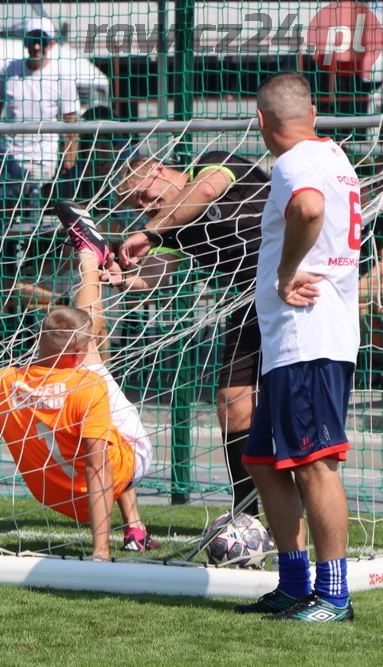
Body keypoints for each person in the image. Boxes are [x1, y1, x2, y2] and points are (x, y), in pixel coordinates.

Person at [0, 225, 156, 558]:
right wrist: (100, 552)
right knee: (93, 341)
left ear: (37, 341)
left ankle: (135, 526)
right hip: (110, 481)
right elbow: (97, 469)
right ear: (74, 354)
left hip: (53, 495)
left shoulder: (3, 382)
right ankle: (89, 258)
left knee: (90, 345)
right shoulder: (88, 384)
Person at [234, 72, 358, 622]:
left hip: (308, 334)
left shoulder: (292, 165)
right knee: (262, 458)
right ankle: (292, 582)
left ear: (261, 121)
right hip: (299, 340)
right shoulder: (334, 155)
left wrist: (286, 273)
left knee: (313, 465)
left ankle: (334, 596)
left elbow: (307, 209)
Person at [105, 148, 271, 518]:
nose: (145, 205)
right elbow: (153, 275)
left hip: (297, 294)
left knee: (293, 416)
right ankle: (246, 515)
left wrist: (150, 230)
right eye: (137, 205)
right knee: (231, 402)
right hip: (249, 309)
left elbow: (205, 192)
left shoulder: (215, 162)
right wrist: (121, 278)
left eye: (144, 195)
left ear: (161, 169)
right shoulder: (169, 226)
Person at [0, 17, 78, 206]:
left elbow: (71, 122)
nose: (36, 47)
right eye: (32, 41)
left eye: (42, 41)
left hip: (42, 158)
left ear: (51, 44)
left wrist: (69, 162)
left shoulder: (62, 75)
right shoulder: (10, 69)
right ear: (25, 42)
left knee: (30, 191)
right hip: (8, 156)